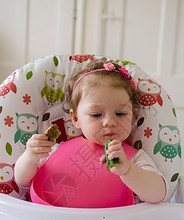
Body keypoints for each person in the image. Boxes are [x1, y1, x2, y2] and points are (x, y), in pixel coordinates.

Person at [14, 58, 167, 208]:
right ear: (75, 118)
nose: (110, 122)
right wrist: (30, 157)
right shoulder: (56, 151)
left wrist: (127, 170)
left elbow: (158, 194)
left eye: (120, 114)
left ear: (133, 116)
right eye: (96, 115)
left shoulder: (134, 159)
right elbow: (22, 181)